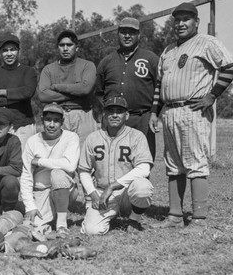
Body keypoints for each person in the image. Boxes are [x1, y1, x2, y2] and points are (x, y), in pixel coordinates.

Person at [149, 2, 233, 230]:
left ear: (196, 22)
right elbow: (160, 84)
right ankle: (175, 216)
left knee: (195, 163)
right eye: (177, 19)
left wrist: (212, 95)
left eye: (186, 19)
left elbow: (230, 66)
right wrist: (154, 113)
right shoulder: (168, 50)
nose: (180, 24)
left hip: (193, 109)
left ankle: (199, 217)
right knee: (173, 164)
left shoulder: (207, 42)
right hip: (169, 111)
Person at [79, 96, 154, 235]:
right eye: (110, 111)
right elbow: (83, 170)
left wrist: (113, 186)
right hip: (102, 194)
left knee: (143, 187)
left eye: (119, 111)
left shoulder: (137, 136)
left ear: (127, 115)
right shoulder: (93, 138)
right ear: (104, 115)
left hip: (127, 193)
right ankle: (110, 214)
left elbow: (144, 168)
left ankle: (134, 218)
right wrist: (93, 194)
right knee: (91, 231)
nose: (114, 115)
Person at [96, 17, 159, 160]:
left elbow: (159, 88)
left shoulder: (150, 58)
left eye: (132, 32)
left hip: (142, 117)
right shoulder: (107, 61)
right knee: (113, 160)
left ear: (139, 35)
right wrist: (107, 111)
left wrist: (154, 113)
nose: (127, 36)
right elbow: (99, 92)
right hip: (114, 118)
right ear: (118, 34)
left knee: (142, 160)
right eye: (123, 32)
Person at [20, 103, 80, 235]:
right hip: (40, 192)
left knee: (57, 174)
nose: (51, 125)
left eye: (56, 121)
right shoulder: (32, 141)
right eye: (48, 120)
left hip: (66, 189)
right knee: (34, 228)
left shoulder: (71, 137)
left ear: (62, 122)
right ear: (42, 120)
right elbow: (26, 176)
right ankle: (51, 215)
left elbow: (70, 165)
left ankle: (62, 224)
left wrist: (40, 161)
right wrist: (30, 206)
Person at [37, 29, 98, 147]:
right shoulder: (49, 69)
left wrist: (56, 87)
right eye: (62, 45)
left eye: (69, 45)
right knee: (58, 153)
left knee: (85, 154)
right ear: (57, 47)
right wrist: (75, 94)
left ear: (77, 47)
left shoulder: (87, 65)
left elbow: (85, 89)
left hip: (83, 113)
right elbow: (43, 95)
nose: (65, 48)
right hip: (58, 114)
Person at [0, 34, 37, 146]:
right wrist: (18, 97)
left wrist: (2, 93)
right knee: (1, 161)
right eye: (5, 50)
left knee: (24, 162)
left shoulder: (28, 71)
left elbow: (27, 92)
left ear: (18, 51)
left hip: (23, 126)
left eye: (12, 50)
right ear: (0, 53)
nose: (9, 54)